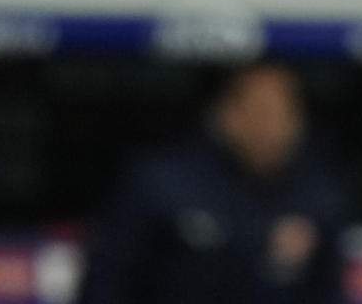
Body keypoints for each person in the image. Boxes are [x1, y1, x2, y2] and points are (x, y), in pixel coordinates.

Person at [77, 63, 347, 304]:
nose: (274, 128)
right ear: (228, 115)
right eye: (263, 112)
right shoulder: (162, 183)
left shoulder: (318, 197)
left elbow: (329, 291)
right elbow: (106, 282)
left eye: (286, 113)